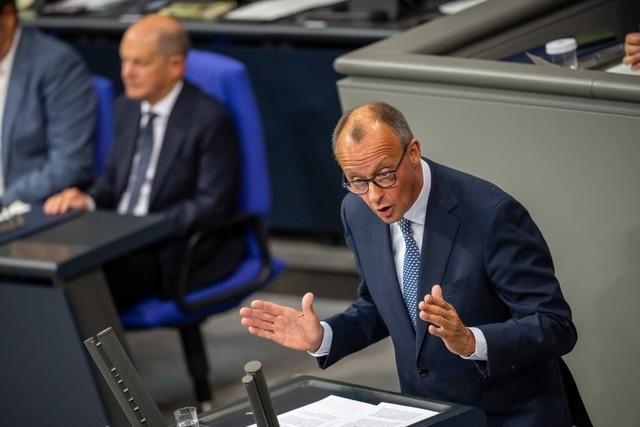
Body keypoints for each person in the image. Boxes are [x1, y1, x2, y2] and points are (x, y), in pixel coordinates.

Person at [239, 102, 584, 427]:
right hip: (430, 413)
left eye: (385, 175)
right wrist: (324, 336)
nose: (374, 195)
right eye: (357, 181)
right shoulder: (356, 212)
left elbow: (554, 324)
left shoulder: (491, 216)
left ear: (413, 152)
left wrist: (471, 341)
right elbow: (380, 305)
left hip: (511, 415)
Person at [44, 14, 243, 310]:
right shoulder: (125, 108)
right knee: (45, 262)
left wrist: (144, 227)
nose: (127, 72)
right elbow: (113, 183)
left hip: (169, 248)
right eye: (124, 61)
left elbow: (211, 207)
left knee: (81, 283)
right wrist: (86, 201)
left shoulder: (210, 120)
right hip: (117, 237)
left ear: (175, 65)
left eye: (140, 63)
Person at [0, 0, 94, 205]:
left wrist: (4, 201)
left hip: (26, 206)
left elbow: (69, 165)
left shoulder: (57, 64)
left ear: (7, 17)